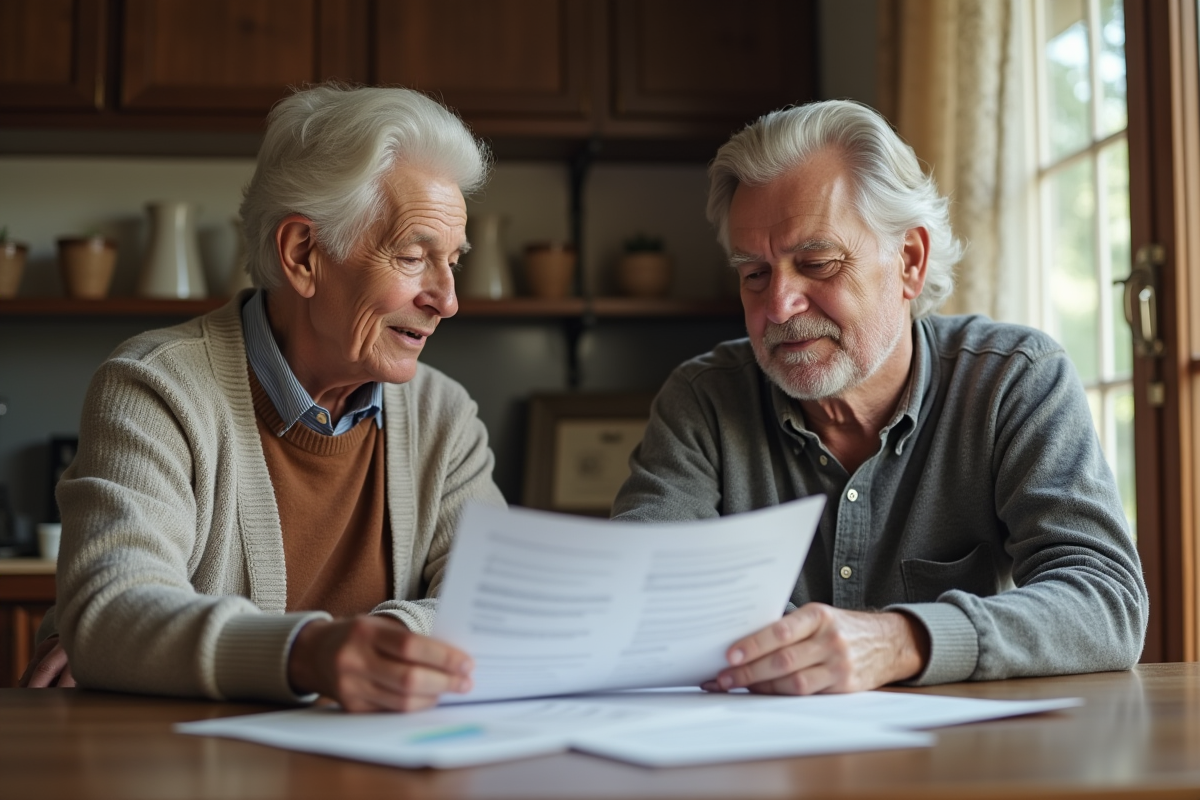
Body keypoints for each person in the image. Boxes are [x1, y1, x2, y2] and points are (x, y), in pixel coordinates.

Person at [611, 100, 1149, 695]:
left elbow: (1106, 599)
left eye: (817, 263)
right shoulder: (703, 400)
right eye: (754, 274)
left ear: (909, 262)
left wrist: (900, 641)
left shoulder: (1015, 380)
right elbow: (640, 593)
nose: (779, 305)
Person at [19, 84, 505, 712]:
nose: (447, 299)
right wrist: (313, 654)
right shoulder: (154, 387)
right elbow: (111, 611)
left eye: (453, 263)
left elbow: (496, 601)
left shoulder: (446, 418)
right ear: (303, 254)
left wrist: (386, 641)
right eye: (413, 257)